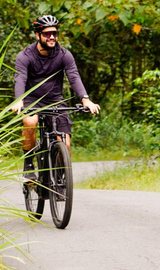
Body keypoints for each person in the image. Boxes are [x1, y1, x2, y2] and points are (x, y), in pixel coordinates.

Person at [10, 15, 101, 181]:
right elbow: (20, 78)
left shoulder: (64, 55)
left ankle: (59, 178)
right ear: (37, 35)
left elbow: (73, 76)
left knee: (65, 145)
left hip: (55, 100)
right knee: (30, 122)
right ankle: (29, 164)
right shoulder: (25, 56)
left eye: (54, 33)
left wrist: (85, 99)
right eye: (47, 34)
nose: (52, 37)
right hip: (32, 100)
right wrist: (19, 99)